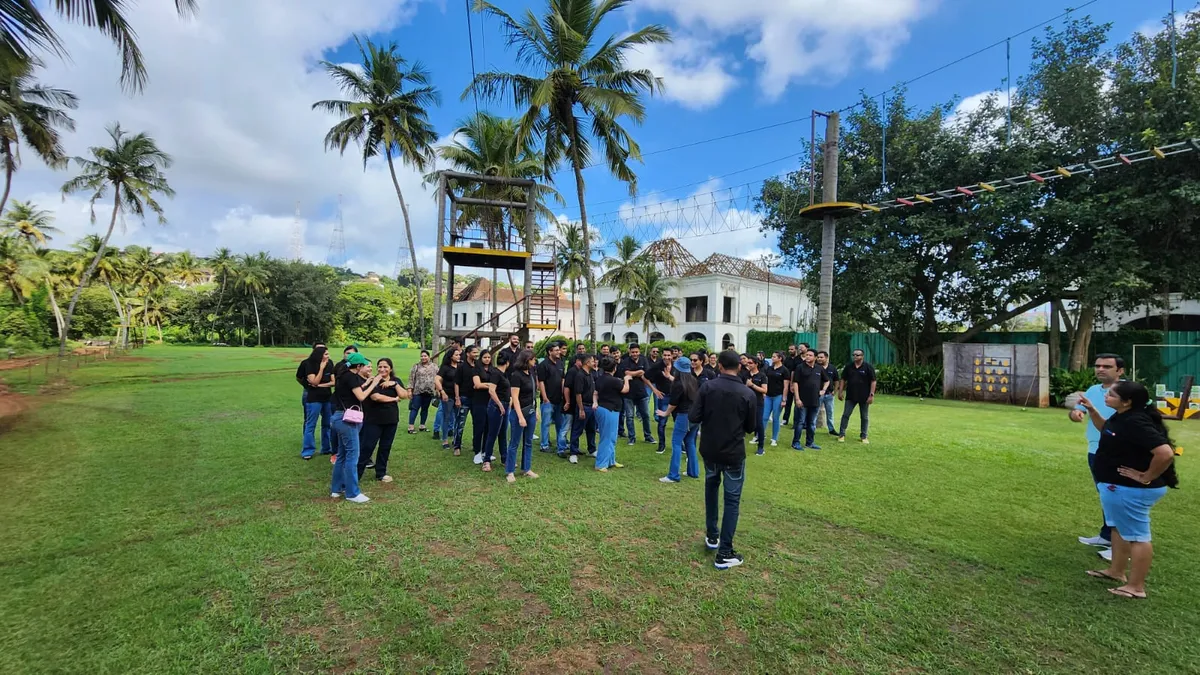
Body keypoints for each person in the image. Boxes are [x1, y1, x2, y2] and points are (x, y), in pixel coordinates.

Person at [1080, 381, 1179, 599]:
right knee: (1118, 529)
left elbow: (1165, 453)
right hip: (1117, 486)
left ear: (1127, 401)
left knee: (1138, 537)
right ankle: (1116, 571)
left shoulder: (1136, 421)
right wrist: (1092, 409)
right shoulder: (1122, 416)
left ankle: (1136, 587)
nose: (1106, 396)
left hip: (1131, 489)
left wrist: (1146, 476)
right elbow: (1106, 429)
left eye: (1112, 395)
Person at [690, 350, 756, 569]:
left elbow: (694, 416)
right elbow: (750, 427)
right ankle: (724, 551)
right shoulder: (747, 393)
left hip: (710, 450)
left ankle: (712, 536)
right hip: (733, 453)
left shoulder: (708, 387)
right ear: (739, 367)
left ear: (718, 365)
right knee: (731, 500)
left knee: (711, 489)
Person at [1070, 353, 1126, 560]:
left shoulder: (1129, 392)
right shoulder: (1093, 390)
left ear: (1120, 370)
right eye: (1098, 366)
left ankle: (1121, 546)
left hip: (1120, 453)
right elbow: (1076, 411)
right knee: (1106, 496)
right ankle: (1106, 536)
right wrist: (1076, 414)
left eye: (1107, 366)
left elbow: (1144, 416)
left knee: (1119, 498)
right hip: (1095, 451)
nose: (1100, 369)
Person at [330, 352, 381, 503]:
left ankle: (336, 489)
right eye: (363, 365)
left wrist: (366, 383)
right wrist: (374, 383)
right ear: (358, 366)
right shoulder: (351, 377)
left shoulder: (342, 375)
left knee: (342, 454)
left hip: (339, 417)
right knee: (353, 455)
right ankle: (352, 493)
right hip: (347, 421)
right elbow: (361, 397)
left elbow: (352, 391)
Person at [358, 357, 408, 483]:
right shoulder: (373, 381)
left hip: (391, 419)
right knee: (367, 447)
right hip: (374, 420)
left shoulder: (396, 381)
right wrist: (394, 399)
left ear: (390, 368)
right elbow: (375, 397)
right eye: (379, 367)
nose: (382, 369)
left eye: (385, 367)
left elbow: (404, 395)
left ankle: (381, 472)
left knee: (385, 447)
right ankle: (356, 474)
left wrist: (395, 385)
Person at [657, 355, 700, 483]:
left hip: (684, 416)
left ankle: (673, 475)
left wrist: (665, 413)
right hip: (695, 416)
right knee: (690, 442)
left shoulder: (678, 384)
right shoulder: (692, 380)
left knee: (676, 443)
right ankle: (693, 471)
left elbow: (673, 403)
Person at [506, 349, 540, 482]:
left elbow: (533, 394)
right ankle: (510, 471)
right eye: (533, 359)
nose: (535, 361)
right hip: (519, 413)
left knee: (528, 442)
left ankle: (526, 468)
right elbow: (515, 398)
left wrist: (535, 410)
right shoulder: (516, 375)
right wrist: (520, 417)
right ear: (527, 360)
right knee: (514, 443)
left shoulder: (531, 373)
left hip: (530, 412)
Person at [593, 355, 629, 472]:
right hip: (609, 410)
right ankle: (600, 464)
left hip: (607, 410)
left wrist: (594, 402)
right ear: (614, 368)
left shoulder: (599, 378)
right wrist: (627, 379)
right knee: (607, 437)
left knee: (612, 437)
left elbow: (595, 392)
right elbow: (625, 390)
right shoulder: (614, 380)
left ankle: (610, 460)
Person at [300, 345, 335, 460]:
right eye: (326, 354)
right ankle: (308, 451)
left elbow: (333, 382)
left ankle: (326, 448)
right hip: (314, 399)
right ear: (319, 355)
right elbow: (314, 381)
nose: (328, 356)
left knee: (327, 424)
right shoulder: (309, 364)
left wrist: (320, 385)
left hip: (327, 398)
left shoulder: (330, 363)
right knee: (311, 424)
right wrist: (321, 368)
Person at [618, 343, 655, 446]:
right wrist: (638, 372)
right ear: (630, 352)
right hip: (628, 393)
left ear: (639, 352)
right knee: (629, 416)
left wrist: (632, 373)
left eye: (636, 352)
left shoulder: (644, 360)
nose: (634, 354)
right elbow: (626, 373)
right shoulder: (625, 361)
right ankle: (632, 437)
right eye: (633, 352)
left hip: (642, 392)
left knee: (646, 416)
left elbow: (645, 373)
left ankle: (648, 436)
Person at [791, 349, 827, 451]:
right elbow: (795, 383)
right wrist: (797, 398)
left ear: (815, 357)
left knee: (811, 423)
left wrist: (823, 390)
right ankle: (795, 442)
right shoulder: (800, 367)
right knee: (801, 422)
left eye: (810, 355)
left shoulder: (819, 369)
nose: (807, 357)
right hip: (802, 400)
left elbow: (827, 380)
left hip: (815, 400)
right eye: (807, 355)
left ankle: (810, 443)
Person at [837, 349, 876, 444]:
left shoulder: (868, 367)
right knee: (846, 415)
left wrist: (871, 395)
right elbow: (843, 379)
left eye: (857, 355)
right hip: (851, 395)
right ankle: (841, 434)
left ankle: (864, 436)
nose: (855, 357)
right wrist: (840, 391)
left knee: (864, 417)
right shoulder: (849, 366)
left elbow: (873, 381)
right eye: (853, 355)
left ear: (862, 356)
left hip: (864, 396)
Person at [482, 350, 511, 473]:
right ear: (508, 362)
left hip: (504, 405)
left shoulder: (504, 374)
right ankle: (486, 460)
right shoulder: (496, 373)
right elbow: (491, 391)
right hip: (496, 406)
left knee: (503, 434)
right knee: (492, 434)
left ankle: (505, 459)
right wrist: (499, 404)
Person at [537, 341, 568, 454]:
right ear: (550, 352)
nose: (559, 352)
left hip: (559, 399)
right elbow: (541, 382)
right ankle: (544, 445)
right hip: (548, 400)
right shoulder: (543, 365)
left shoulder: (560, 363)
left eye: (558, 350)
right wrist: (545, 398)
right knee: (546, 423)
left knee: (560, 423)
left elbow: (563, 379)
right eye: (556, 350)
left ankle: (561, 444)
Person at [568, 353, 597, 463]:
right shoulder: (580, 375)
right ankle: (573, 452)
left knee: (591, 429)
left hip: (591, 406)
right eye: (593, 361)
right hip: (583, 406)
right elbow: (578, 394)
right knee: (577, 430)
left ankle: (592, 449)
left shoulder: (590, 374)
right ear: (587, 362)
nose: (594, 363)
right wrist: (581, 409)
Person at [471, 349, 498, 466]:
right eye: (485, 357)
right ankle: (477, 452)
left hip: (490, 402)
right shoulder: (476, 369)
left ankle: (485, 451)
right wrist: (490, 385)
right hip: (479, 402)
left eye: (488, 357)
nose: (487, 359)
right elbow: (477, 385)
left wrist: (485, 385)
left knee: (489, 427)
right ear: (481, 359)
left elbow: (497, 384)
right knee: (479, 427)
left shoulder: (493, 370)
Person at [646, 347, 674, 454]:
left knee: (679, 422)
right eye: (665, 355)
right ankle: (662, 445)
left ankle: (682, 446)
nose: (667, 357)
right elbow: (645, 377)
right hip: (664, 396)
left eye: (668, 355)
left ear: (672, 356)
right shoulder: (657, 366)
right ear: (662, 356)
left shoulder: (677, 366)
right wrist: (654, 389)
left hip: (677, 396)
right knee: (662, 422)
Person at [431, 338, 460, 441]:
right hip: (447, 395)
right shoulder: (445, 368)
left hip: (459, 396)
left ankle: (456, 440)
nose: (458, 356)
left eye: (459, 355)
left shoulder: (461, 366)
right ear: (451, 356)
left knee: (458, 419)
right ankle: (444, 439)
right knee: (446, 417)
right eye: (456, 355)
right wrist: (441, 392)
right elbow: (436, 379)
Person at [454, 346, 479, 456]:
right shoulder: (462, 366)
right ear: (468, 354)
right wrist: (457, 398)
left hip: (477, 399)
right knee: (460, 423)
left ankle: (476, 445)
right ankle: (457, 446)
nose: (476, 355)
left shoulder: (478, 366)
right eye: (474, 352)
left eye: (477, 353)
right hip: (464, 398)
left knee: (477, 423)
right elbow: (456, 383)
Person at [407, 350, 437, 434]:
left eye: (425, 356)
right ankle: (411, 426)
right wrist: (409, 390)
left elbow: (438, 378)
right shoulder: (416, 366)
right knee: (414, 408)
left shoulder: (434, 367)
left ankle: (422, 425)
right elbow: (411, 378)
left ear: (429, 357)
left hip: (429, 391)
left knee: (425, 409)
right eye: (422, 356)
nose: (423, 358)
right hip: (418, 391)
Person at [762, 351, 789, 449]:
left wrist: (784, 399)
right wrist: (764, 392)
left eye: (774, 357)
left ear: (780, 358)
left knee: (776, 418)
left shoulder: (784, 370)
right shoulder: (769, 368)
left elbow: (786, 386)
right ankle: (761, 435)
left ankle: (774, 438)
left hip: (778, 396)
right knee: (764, 417)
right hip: (768, 396)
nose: (772, 358)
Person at [297, 340, 326, 424]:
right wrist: (306, 385)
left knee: (327, 419)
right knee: (309, 419)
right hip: (309, 392)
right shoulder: (306, 363)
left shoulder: (329, 363)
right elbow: (298, 377)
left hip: (325, 393)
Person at [746, 357, 767, 456]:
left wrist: (752, 385)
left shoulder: (762, 376)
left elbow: (764, 390)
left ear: (756, 364)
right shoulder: (745, 375)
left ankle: (761, 447)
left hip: (758, 403)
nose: (748, 364)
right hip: (745, 402)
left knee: (759, 424)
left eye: (750, 363)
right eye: (747, 363)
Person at [816, 350, 839, 435]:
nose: (819, 359)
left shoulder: (832, 368)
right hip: (817, 394)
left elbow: (836, 380)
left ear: (826, 358)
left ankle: (831, 429)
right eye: (818, 357)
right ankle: (811, 428)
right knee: (815, 411)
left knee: (830, 412)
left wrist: (835, 391)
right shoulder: (815, 367)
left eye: (821, 357)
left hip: (829, 394)